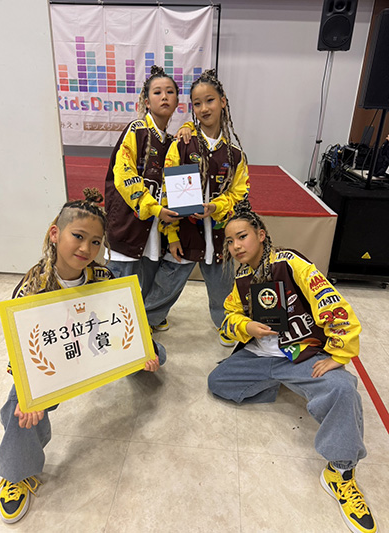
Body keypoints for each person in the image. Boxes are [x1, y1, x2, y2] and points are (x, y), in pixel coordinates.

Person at [0, 188, 166, 524]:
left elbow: (123, 317)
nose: (86, 248)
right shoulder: (31, 289)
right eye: (78, 236)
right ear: (55, 234)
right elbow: (22, 352)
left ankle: (140, 360)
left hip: (94, 349)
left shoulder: (102, 276)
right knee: (20, 407)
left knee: (154, 352)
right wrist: (30, 395)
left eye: (96, 242)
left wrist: (140, 348)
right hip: (57, 361)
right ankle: (17, 473)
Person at [208, 200, 376, 533]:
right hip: (260, 357)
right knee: (218, 382)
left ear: (261, 234)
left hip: (301, 355)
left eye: (242, 236)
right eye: (229, 241)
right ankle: (281, 383)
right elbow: (228, 320)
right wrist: (246, 326)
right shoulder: (242, 278)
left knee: (343, 389)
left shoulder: (289, 262)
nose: (236, 246)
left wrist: (339, 354)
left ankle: (340, 472)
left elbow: (331, 302)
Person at [144, 69, 250, 347]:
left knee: (223, 287)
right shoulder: (182, 145)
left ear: (223, 101)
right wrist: (172, 235)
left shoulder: (235, 155)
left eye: (210, 100)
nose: (204, 108)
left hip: (220, 236)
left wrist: (216, 206)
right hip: (185, 233)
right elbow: (168, 193)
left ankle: (226, 323)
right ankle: (149, 319)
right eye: (197, 103)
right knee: (167, 282)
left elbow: (239, 193)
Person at [104, 65, 181, 331]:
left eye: (170, 92)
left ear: (177, 101)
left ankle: (143, 321)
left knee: (147, 274)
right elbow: (124, 174)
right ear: (146, 101)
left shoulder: (172, 141)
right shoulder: (137, 130)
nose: (164, 97)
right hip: (129, 221)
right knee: (122, 281)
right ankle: (118, 330)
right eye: (157, 92)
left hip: (154, 226)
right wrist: (153, 207)